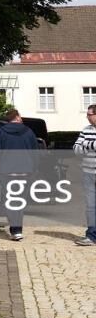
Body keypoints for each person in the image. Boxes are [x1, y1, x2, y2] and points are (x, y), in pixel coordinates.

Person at [0, 108, 37, 242]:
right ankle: (18, 229)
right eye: (20, 116)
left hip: (6, 171)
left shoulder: (0, 132)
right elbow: (35, 152)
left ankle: (14, 229)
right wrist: (34, 167)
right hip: (25, 170)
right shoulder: (29, 132)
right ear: (17, 117)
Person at [73, 104, 96, 246]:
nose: (87, 117)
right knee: (90, 206)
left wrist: (86, 145)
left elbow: (82, 147)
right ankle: (91, 236)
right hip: (88, 172)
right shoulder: (85, 130)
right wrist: (90, 145)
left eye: (90, 114)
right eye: (87, 114)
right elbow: (76, 149)